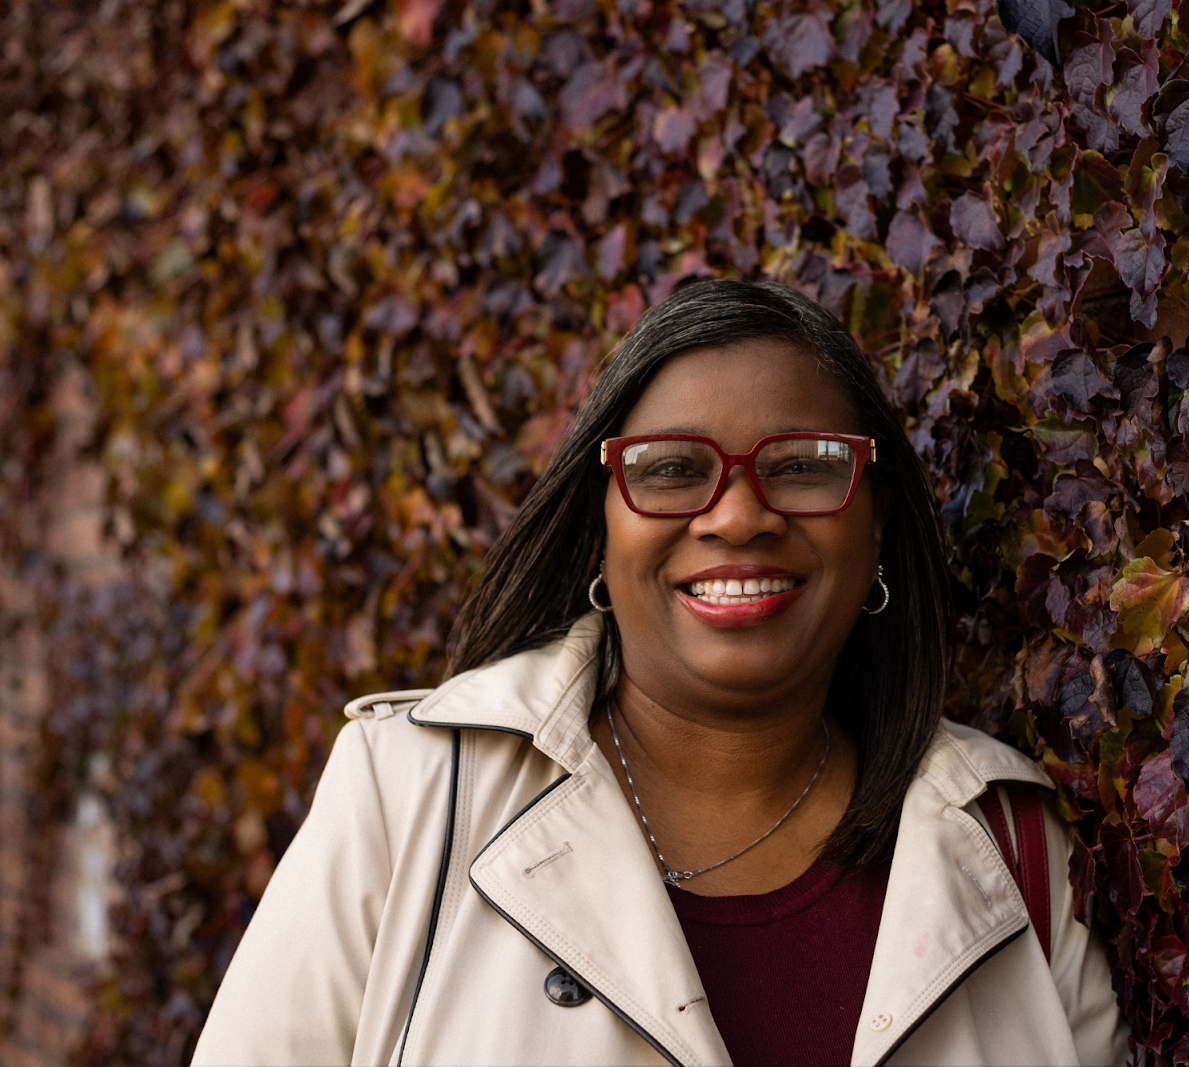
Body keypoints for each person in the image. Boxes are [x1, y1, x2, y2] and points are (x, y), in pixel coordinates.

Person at [191, 280, 1128, 1067]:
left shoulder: (1007, 847)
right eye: (672, 469)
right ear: (603, 521)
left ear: (875, 521)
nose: (737, 515)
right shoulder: (410, 794)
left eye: (804, 466)